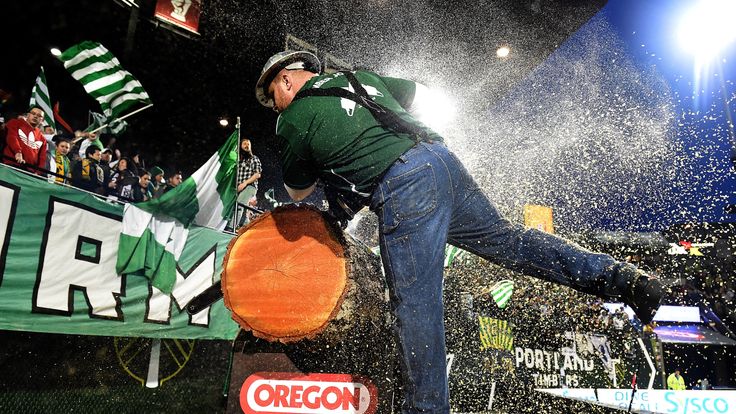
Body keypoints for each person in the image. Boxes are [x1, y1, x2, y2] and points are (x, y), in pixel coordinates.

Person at [255, 50, 665, 413]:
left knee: (415, 304)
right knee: (512, 243)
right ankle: (623, 280)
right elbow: (421, 95)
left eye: (273, 98)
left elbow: (298, 188)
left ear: (286, 79)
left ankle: (426, 409)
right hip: (441, 162)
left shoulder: (291, 118)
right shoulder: (361, 78)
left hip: (403, 188)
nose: (276, 108)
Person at [2, 105, 47, 175]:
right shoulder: (15, 123)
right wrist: (18, 152)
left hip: (29, 172)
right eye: (33, 113)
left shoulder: (43, 139)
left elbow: (42, 158)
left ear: (42, 120)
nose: (35, 116)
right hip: (11, 165)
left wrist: (38, 172)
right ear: (28, 115)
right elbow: (12, 137)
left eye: (39, 115)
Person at [232, 138, 262, 227]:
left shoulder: (254, 158)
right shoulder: (238, 161)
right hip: (239, 188)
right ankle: (244, 227)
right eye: (244, 144)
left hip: (250, 186)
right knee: (245, 209)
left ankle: (231, 227)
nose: (247, 145)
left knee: (239, 204)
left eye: (248, 144)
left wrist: (245, 183)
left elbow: (257, 174)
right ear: (240, 146)